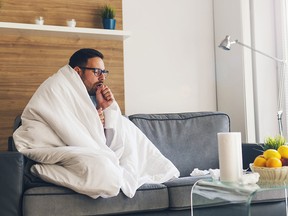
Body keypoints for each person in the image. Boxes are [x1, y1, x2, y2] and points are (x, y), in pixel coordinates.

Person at [13, 48, 180, 199]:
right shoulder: (57, 86)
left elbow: (86, 130)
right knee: (105, 171)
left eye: (104, 72)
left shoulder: (82, 95)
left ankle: (154, 169)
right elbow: (68, 129)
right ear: (78, 71)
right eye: (97, 72)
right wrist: (96, 121)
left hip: (74, 146)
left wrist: (106, 108)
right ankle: (37, 171)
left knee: (123, 124)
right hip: (49, 145)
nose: (102, 78)